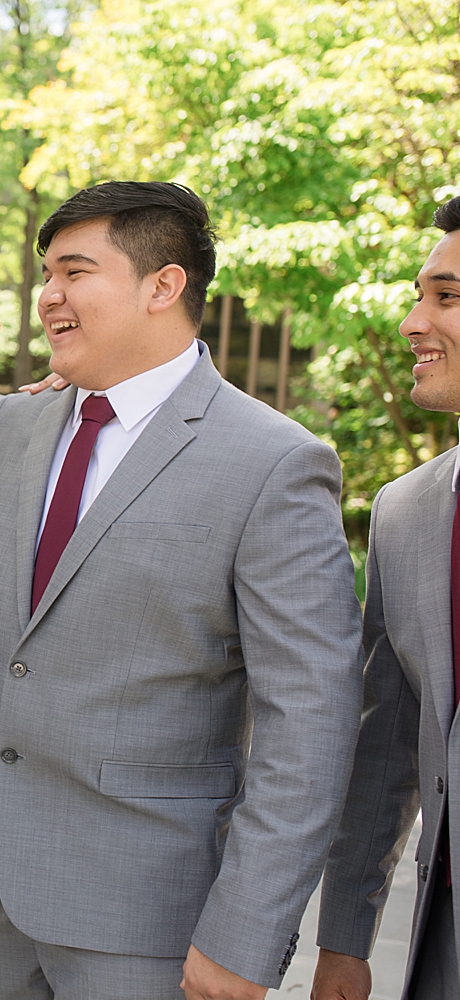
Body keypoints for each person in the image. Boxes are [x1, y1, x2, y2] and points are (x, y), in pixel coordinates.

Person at [0, 180, 364, 999]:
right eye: (46, 274)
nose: (47, 297)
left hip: (144, 919)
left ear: (162, 286)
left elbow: (309, 722)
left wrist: (247, 931)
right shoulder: (23, 425)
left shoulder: (274, 462)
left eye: (73, 273)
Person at [311, 194, 460, 1000]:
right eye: (419, 294)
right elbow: (390, 738)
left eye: (448, 297)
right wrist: (344, 937)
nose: (412, 321)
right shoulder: (405, 512)